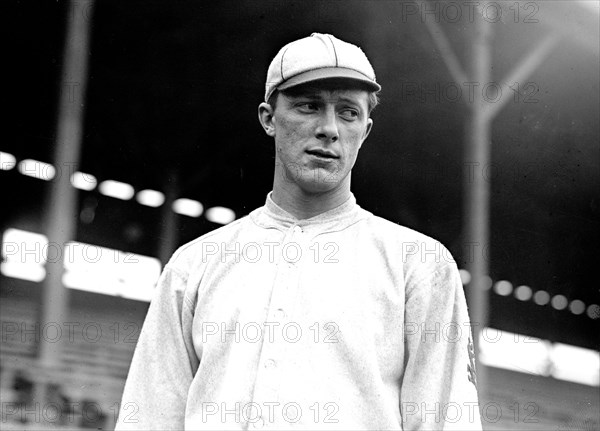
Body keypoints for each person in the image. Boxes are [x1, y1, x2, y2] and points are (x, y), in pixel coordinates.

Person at [116, 33, 482, 430]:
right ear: (269, 118)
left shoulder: (419, 264)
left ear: (366, 130)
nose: (329, 128)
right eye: (309, 106)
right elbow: (149, 415)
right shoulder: (194, 264)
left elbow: (447, 422)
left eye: (348, 112)